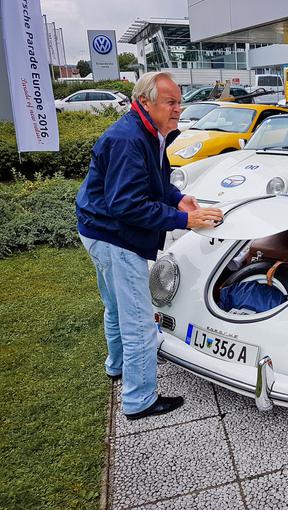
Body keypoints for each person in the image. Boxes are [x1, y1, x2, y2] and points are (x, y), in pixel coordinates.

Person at [75, 72, 224, 420]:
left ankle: (117, 365)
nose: (178, 108)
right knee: (140, 321)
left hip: (96, 228)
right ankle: (139, 400)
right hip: (113, 236)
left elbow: (154, 183)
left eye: (178, 101)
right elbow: (127, 205)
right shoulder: (129, 140)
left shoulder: (149, 134)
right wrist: (183, 220)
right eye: (171, 102)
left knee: (114, 305)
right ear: (145, 102)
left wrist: (180, 199)